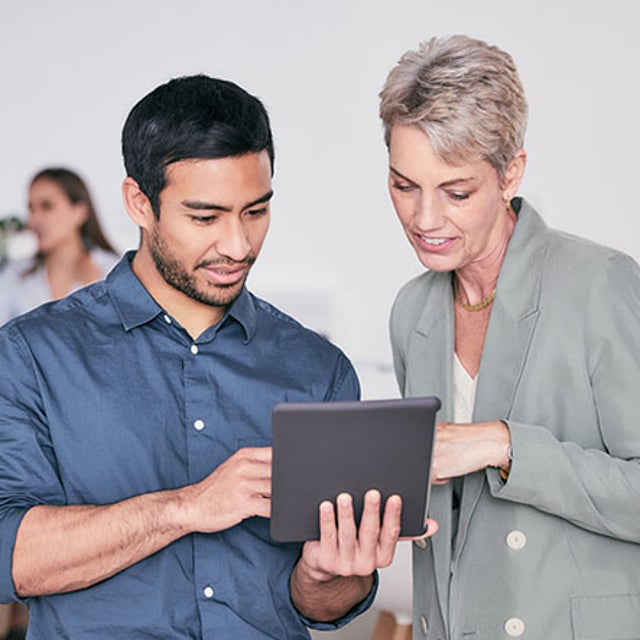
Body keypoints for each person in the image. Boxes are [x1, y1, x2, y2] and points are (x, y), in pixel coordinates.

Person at [0, 75, 435, 638]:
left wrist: (327, 575)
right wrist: (186, 507)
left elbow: (324, 606)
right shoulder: (34, 355)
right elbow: (11, 558)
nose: (237, 245)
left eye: (255, 212)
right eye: (205, 218)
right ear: (140, 202)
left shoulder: (316, 369)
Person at [378, 35, 640, 639]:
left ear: (510, 173)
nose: (425, 219)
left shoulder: (598, 286)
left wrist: (504, 444)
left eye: (457, 192)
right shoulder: (412, 312)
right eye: (404, 185)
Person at [0, 167, 119, 325]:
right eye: (31, 209)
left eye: (46, 206)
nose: (34, 220)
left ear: (79, 211)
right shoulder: (15, 276)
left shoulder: (114, 272)